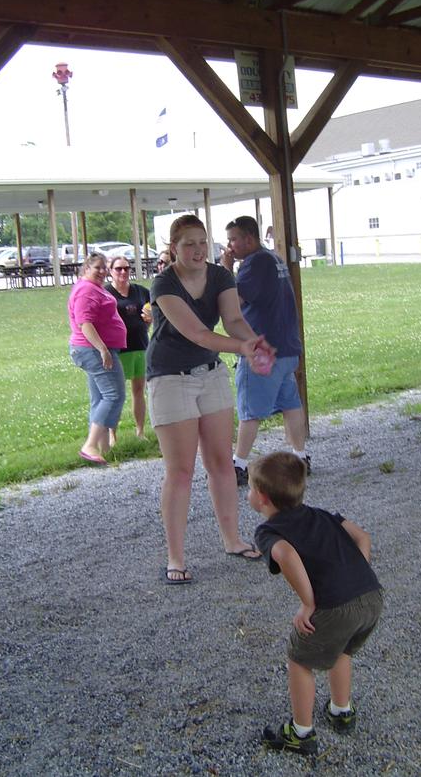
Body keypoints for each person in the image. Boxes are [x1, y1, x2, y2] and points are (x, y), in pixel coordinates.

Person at [147, 214, 274, 584]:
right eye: (189, 243)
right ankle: (176, 558)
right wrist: (244, 349)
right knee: (181, 470)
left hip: (210, 374)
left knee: (221, 463)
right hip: (171, 378)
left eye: (203, 242)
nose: (198, 250)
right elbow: (198, 334)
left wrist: (252, 341)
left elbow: (233, 319)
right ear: (174, 248)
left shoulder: (220, 275)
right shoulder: (164, 283)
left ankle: (233, 540)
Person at [248, 452, 383, 756]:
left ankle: (301, 732)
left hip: (335, 606)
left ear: (262, 497)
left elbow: (285, 555)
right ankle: (340, 710)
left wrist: (307, 603)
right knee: (342, 647)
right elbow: (363, 537)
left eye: (249, 489)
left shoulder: (269, 531)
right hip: (370, 595)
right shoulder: (320, 514)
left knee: (300, 658)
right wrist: (354, 574)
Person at [221, 216, 309, 486]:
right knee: (290, 404)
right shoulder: (274, 258)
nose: (230, 246)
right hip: (287, 346)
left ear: (250, 238)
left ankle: (239, 464)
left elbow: (235, 300)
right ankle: (301, 457)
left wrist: (226, 270)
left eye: (234, 239)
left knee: (250, 410)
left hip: (262, 350)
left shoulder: (254, 264)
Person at [68, 253, 127, 465]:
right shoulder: (86, 290)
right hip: (92, 349)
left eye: (104, 267)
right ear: (86, 269)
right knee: (114, 395)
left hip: (93, 348)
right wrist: (103, 350)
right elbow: (85, 323)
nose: (102, 272)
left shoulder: (93, 288)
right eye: (97, 268)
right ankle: (90, 445)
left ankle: (101, 448)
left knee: (100, 398)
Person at [106, 255, 152, 441]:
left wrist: (149, 319)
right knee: (116, 393)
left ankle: (140, 431)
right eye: (118, 269)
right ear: (111, 272)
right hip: (117, 348)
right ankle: (112, 435)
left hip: (140, 345)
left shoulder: (141, 291)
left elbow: (152, 312)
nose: (123, 272)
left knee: (139, 389)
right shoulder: (106, 293)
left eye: (126, 268)